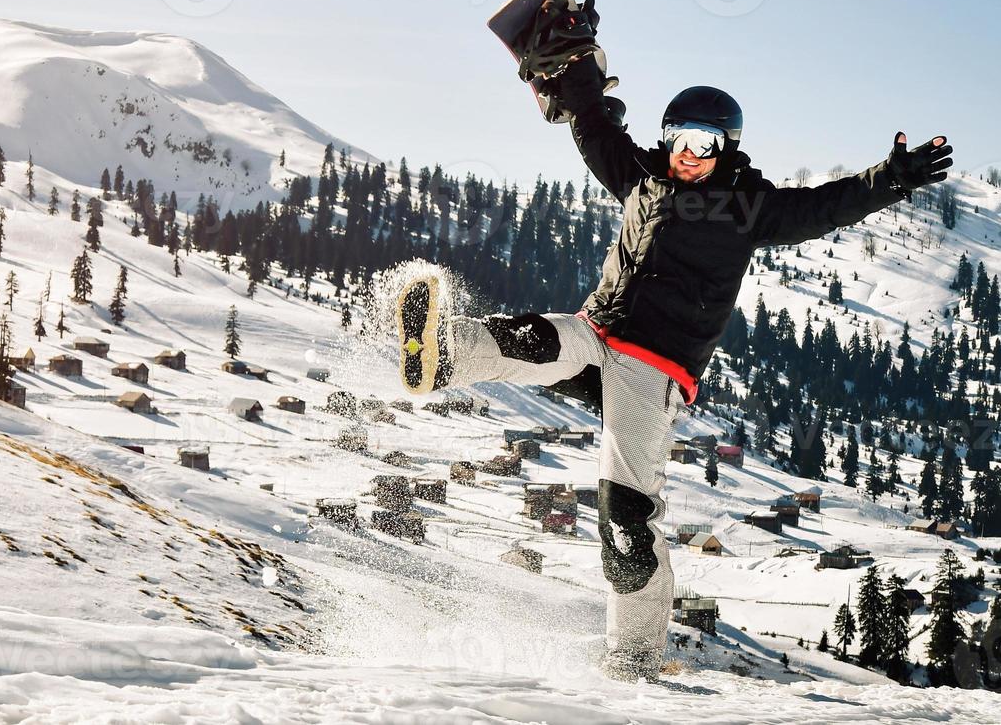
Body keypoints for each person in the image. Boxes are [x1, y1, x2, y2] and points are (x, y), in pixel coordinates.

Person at [397, 49, 953, 681]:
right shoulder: (642, 176)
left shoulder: (748, 206)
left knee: (626, 521)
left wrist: (892, 178)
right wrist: (573, 66)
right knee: (542, 339)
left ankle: (632, 661)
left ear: (727, 147)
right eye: (678, 137)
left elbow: (825, 206)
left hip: (653, 371)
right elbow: (594, 128)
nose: (688, 152)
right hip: (600, 330)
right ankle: (442, 354)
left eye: (705, 141)